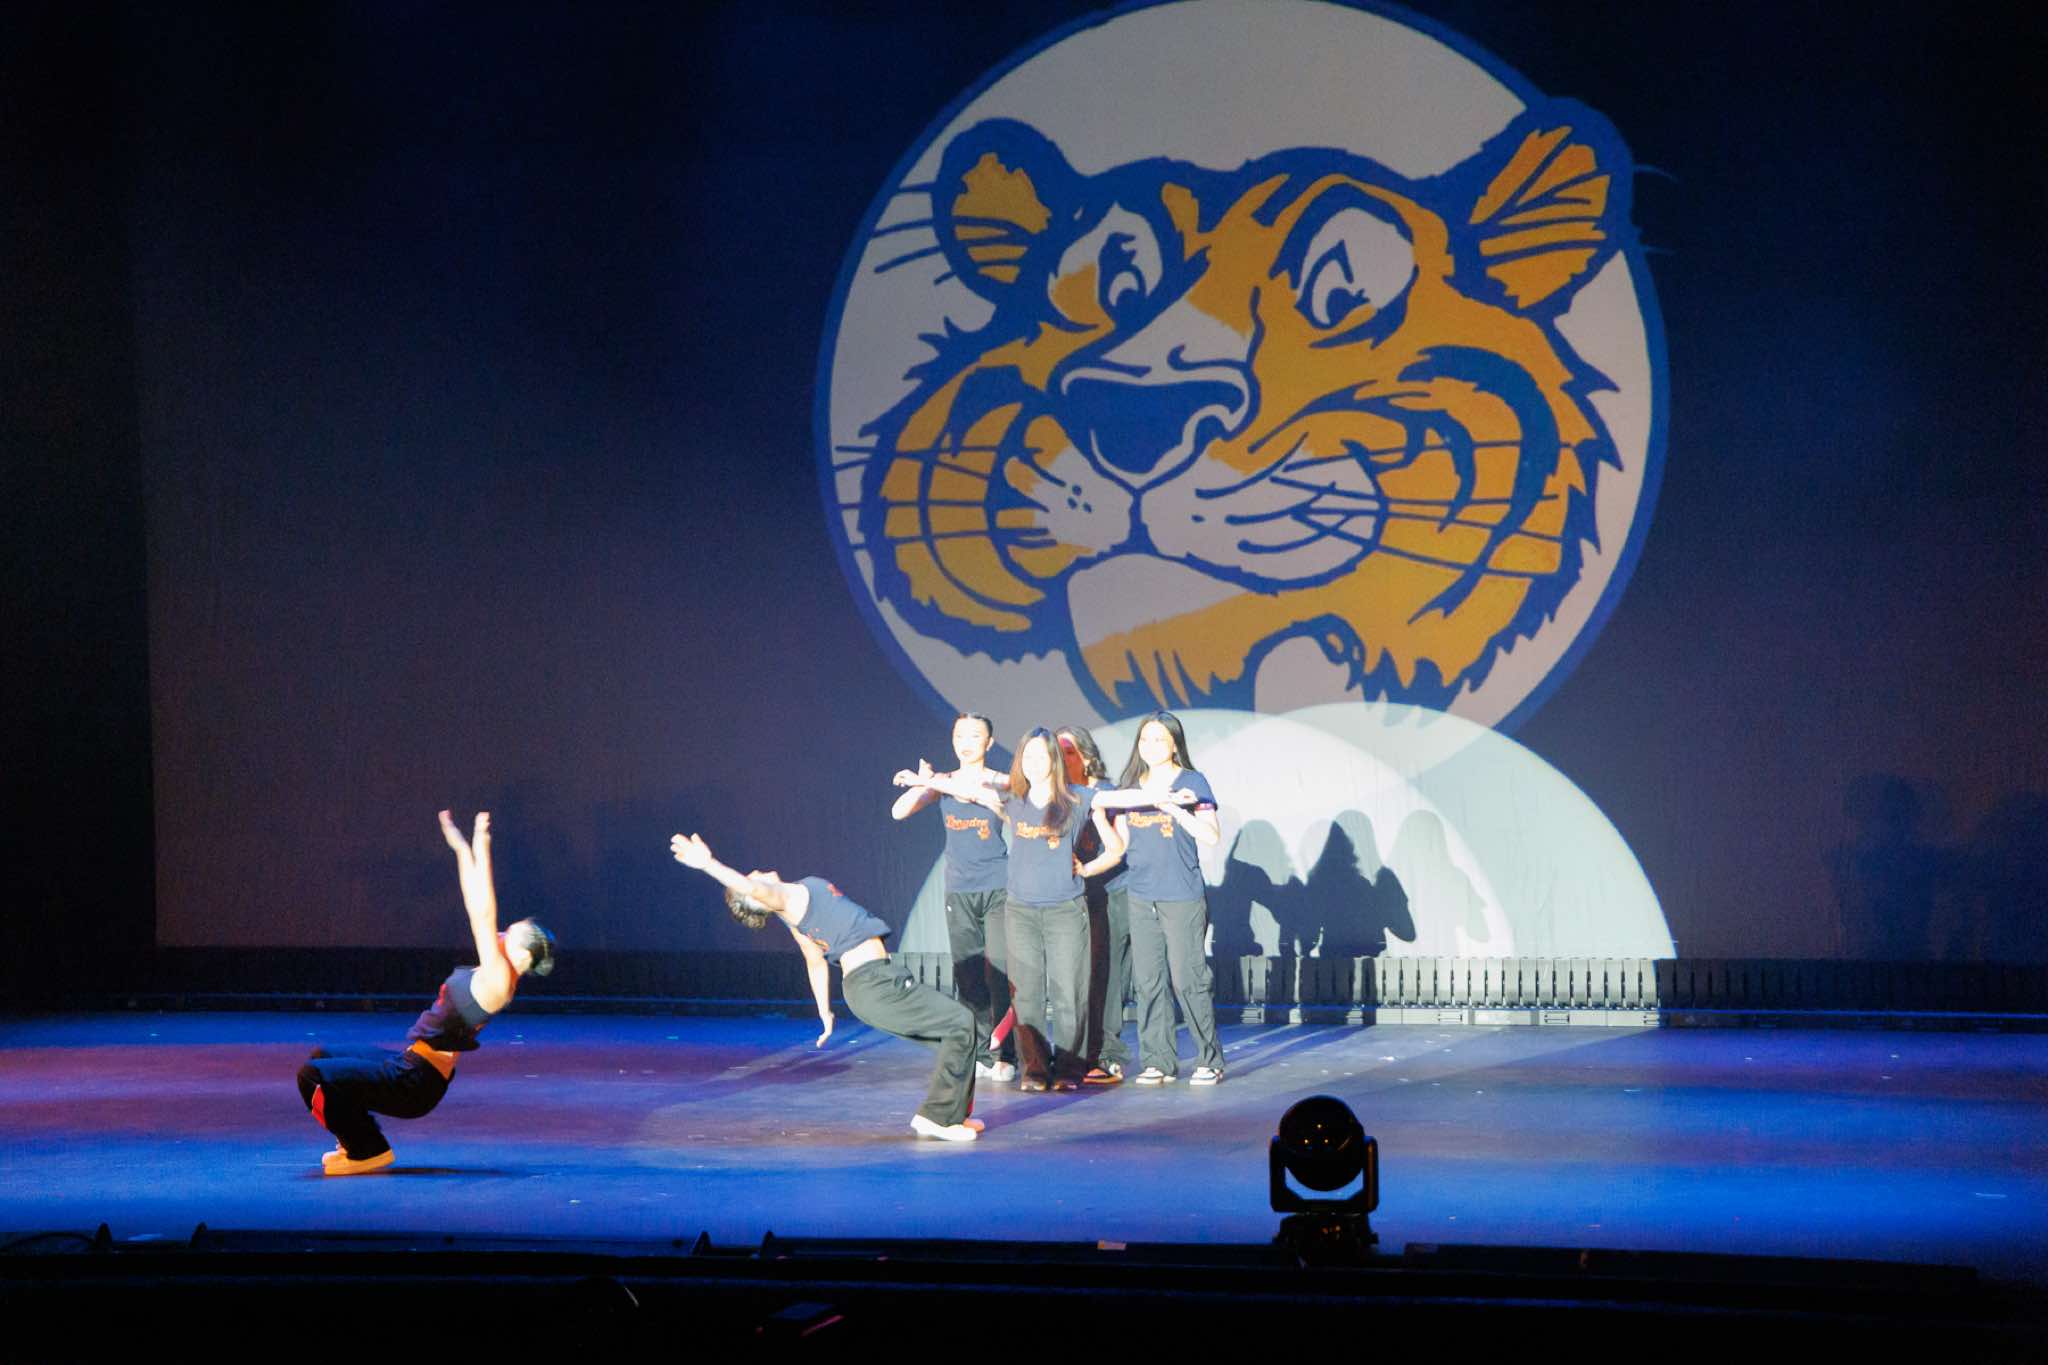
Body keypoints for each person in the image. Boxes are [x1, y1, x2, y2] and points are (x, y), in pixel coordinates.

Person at [669, 830, 984, 1141]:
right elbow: (749, 886)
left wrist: (825, 1012)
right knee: (960, 1023)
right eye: (752, 884)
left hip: (875, 982)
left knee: (957, 1035)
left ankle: (954, 1114)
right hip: (874, 985)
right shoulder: (783, 899)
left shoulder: (794, 912)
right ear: (758, 899)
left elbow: (815, 961)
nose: (754, 874)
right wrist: (708, 864)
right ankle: (936, 1118)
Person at [295, 810, 556, 1175]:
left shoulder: (498, 981)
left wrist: (479, 844)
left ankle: (366, 1150)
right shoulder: (497, 970)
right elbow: (477, 903)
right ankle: (358, 1138)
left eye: (512, 933)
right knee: (323, 1056)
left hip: (415, 1082)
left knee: (311, 1075)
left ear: (523, 956)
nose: (504, 931)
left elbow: (482, 914)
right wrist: (465, 849)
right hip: (411, 1066)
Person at [998, 728, 1186, 1091]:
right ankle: (1034, 1068)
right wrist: (929, 782)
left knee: (1069, 993)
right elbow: (976, 787)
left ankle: (1068, 1069)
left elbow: (1118, 798)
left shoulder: (1077, 798)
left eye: (1041, 756)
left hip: (1065, 911)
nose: (1034, 763)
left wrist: (1160, 795)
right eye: (1027, 756)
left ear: (1054, 760)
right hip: (1020, 911)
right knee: (1026, 994)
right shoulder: (1014, 799)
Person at [891, 713, 1015, 1082]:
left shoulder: (1002, 781)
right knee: (968, 974)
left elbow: (1004, 808)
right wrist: (924, 783)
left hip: (997, 886)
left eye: (975, 736)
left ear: (989, 743)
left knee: (1000, 971)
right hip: (959, 889)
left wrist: (930, 781)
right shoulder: (942, 782)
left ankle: (1005, 1054)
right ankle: (980, 1050)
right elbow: (898, 812)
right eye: (960, 735)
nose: (966, 743)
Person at [1113, 713, 1226, 1085]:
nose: (1150, 746)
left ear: (1175, 744)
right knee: (1149, 981)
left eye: (1159, 739)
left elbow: (1210, 836)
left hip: (1181, 895)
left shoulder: (1192, 782)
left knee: (1188, 979)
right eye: (1144, 739)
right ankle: (1158, 1060)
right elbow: (1121, 843)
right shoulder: (1131, 786)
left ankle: (1209, 1059)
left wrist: (1173, 807)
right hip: (1140, 895)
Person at [1056, 725, 1135, 1085]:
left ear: (1087, 757)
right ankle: (1077, 1052)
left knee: (1108, 976)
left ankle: (1107, 1053)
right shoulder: (1056, 795)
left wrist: (1086, 869)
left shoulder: (1107, 794)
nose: (1061, 758)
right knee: (1079, 977)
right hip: (1074, 896)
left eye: (1068, 751)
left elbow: (1121, 846)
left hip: (1111, 891)